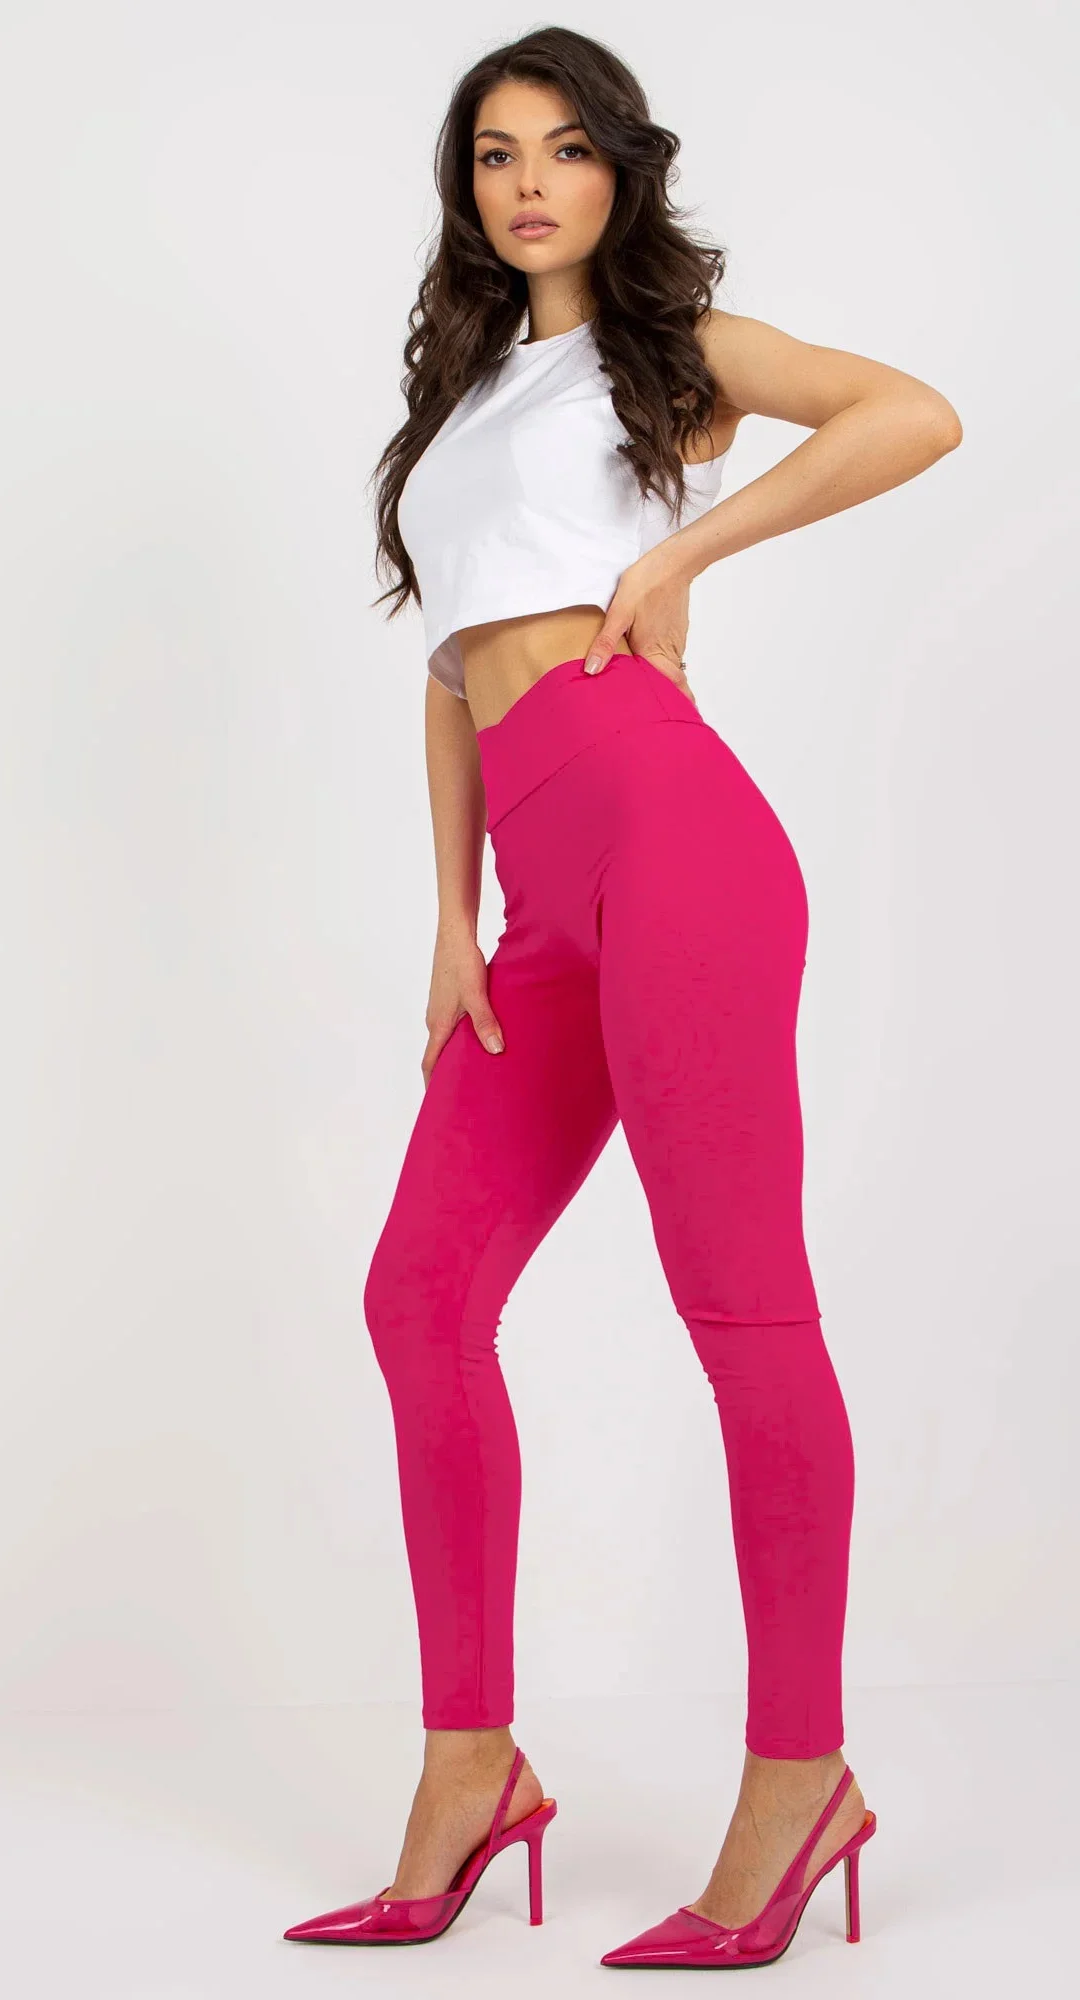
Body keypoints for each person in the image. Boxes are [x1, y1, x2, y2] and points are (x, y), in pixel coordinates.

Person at [282, 25, 959, 1970]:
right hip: (541, 905)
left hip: (672, 843)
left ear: (620, 173)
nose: (529, 182)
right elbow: (452, 676)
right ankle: (472, 1765)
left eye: (566, 149)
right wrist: (451, 917)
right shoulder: (464, 402)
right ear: (467, 188)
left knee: (740, 1304)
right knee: (420, 1297)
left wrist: (687, 554)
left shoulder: (668, 353)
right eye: (496, 152)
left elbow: (911, 414)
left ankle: (800, 1774)